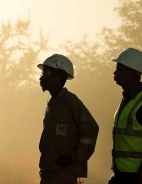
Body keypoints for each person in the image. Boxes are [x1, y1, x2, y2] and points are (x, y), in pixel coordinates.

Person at [37, 54, 99, 184]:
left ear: (58, 77)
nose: (41, 77)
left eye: (47, 73)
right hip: (50, 173)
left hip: (63, 175)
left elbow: (91, 129)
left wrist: (74, 158)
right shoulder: (54, 103)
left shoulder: (70, 102)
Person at [109, 48, 142, 184]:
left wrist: (141, 174)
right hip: (124, 173)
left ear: (132, 72)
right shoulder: (128, 99)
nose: (115, 73)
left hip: (140, 176)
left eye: (119, 69)